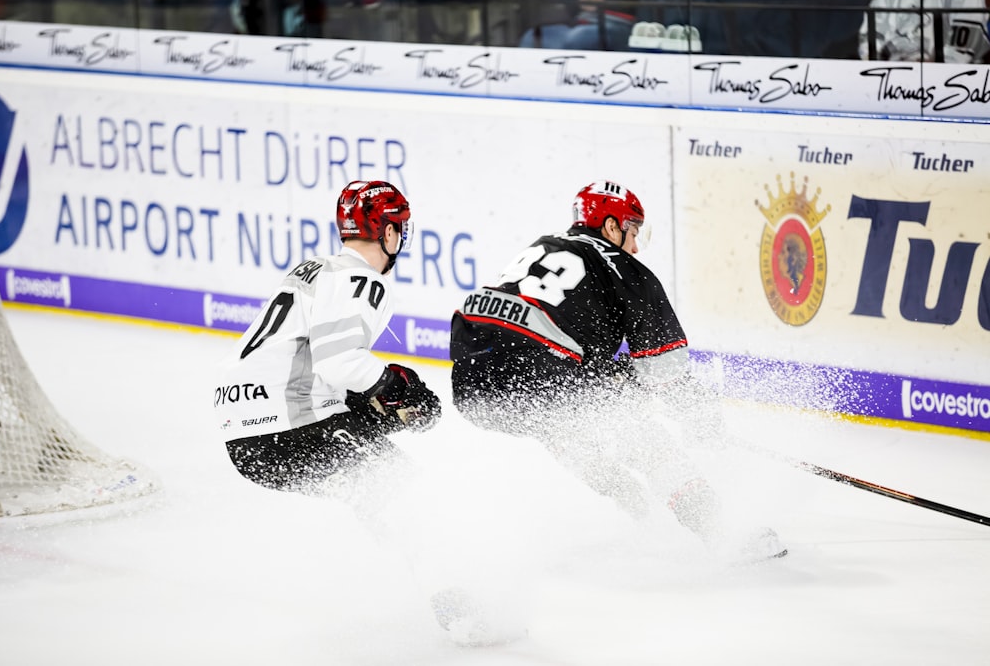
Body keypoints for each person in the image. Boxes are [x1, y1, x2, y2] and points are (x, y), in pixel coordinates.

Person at [450, 180, 786, 562]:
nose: (636, 245)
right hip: (542, 373)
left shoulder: (543, 245)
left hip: (472, 383)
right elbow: (666, 373)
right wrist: (699, 416)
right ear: (611, 226)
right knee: (642, 438)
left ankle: (637, 508)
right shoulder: (626, 270)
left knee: (569, 417)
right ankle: (722, 535)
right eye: (633, 231)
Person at [214, 180, 441, 506]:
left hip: (242, 432)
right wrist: (393, 386)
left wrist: (379, 403)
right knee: (404, 493)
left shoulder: (317, 268)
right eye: (400, 228)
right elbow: (339, 362)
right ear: (388, 233)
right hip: (287, 424)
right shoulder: (361, 278)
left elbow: (317, 365)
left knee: (376, 492)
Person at [860, 0, 990, 62]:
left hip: (953, 88)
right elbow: (869, 40)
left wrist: (929, 74)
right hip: (892, 84)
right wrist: (878, 69)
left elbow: (959, 54)